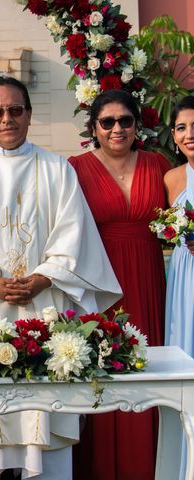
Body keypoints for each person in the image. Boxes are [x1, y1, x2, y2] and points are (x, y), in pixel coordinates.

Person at [0, 76, 122, 480]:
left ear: (29, 114)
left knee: (40, 415)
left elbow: (73, 231)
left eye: (15, 110)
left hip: (43, 306)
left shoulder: (57, 169)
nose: (6, 119)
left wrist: (45, 277)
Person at [69, 89, 170, 480]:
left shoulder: (159, 164)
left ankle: (148, 465)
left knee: (150, 365)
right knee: (103, 367)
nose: (116, 129)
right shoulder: (75, 168)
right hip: (99, 283)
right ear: (94, 127)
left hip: (148, 281)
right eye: (107, 122)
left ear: (136, 125)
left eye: (125, 121)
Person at [164, 95, 194, 480]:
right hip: (185, 279)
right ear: (173, 136)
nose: (190, 134)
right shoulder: (171, 179)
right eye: (182, 127)